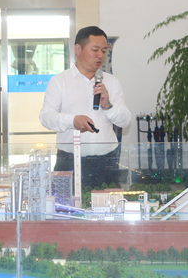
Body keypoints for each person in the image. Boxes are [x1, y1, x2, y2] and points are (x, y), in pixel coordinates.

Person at [39, 26, 131, 189]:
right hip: (69, 160)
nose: (100, 55)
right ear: (78, 49)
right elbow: (46, 116)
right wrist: (72, 121)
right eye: (95, 50)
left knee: (107, 204)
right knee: (66, 204)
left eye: (104, 51)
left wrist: (108, 106)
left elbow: (125, 121)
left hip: (107, 161)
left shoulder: (111, 81)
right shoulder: (59, 81)